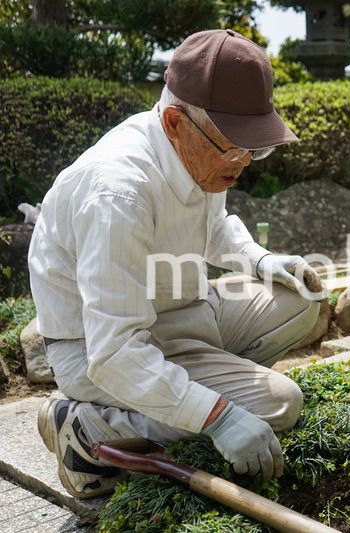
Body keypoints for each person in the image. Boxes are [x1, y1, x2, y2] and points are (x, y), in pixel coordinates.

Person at [28, 29, 321, 499]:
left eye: (255, 147)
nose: (244, 161)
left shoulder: (203, 151)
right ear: (173, 122)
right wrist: (219, 417)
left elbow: (215, 226)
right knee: (282, 403)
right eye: (234, 146)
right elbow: (116, 351)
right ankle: (88, 430)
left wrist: (260, 258)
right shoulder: (116, 193)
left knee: (300, 294)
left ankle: (188, 394)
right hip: (100, 349)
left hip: (183, 313)